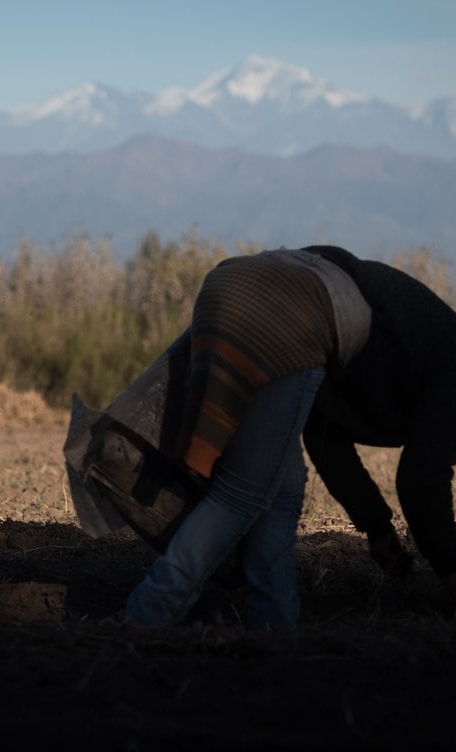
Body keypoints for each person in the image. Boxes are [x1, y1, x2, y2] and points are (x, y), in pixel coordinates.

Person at [122, 247, 372, 632]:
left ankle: (273, 623)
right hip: (293, 325)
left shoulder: (309, 273)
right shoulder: (355, 319)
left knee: (283, 489)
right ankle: (147, 613)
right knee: (238, 494)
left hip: (223, 289)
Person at [299, 245, 456, 610]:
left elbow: (325, 433)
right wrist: (452, 569)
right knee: (258, 490)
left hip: (283, 284)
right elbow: (421, 478)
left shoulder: (419, 356)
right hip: (309, 297)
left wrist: (376, 526)